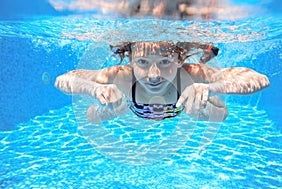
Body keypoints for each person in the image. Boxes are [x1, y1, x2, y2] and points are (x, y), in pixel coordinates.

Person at [55, 42, 270, 123]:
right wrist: (94, 89)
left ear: (178, 60)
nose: (154, 74)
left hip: (184, 106)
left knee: (218, 113)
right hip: (130, 108)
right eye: (143, 62)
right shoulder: (120, 76)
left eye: (165, 61)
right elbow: (63, 79)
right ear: (130, 60)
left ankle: (206, 54)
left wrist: (210, 89)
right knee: (96, 116)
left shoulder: (190, 75)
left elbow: (259, 79)